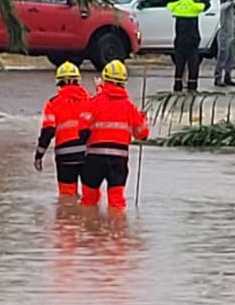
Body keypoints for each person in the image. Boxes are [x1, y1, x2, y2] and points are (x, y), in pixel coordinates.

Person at [79, 60, 150, 209]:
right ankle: (117, 229)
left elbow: (82, 129)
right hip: (118, 160)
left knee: (88, 202)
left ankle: (88, 229)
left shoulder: (94, 102)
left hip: (94, 159)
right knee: (116, 202)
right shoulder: (130, 107)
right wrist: (143, 119)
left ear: (105, 80)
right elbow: (142, 134)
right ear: (124, 82)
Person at [34, 61, 92, 197]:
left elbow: (48, 132)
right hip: (88, 154)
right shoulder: (90, 100)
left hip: (65, 156)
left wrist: (39, 155)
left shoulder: (53, 103)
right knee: (90, 198)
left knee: (67, 198)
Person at [167, 0, 207, 92]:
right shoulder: (195, 6)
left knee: (179, 64)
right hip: (192, 40)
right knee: (193, 64)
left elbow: (169, 4)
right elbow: (206, 5)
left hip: (180, 39)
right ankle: (192, 85)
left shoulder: (177, 5)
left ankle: (178, 84)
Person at [214, 0, 235, 88]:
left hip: (231, 35)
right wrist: (232, 2)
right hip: (224, 34)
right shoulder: (224, 7)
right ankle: (218, 77)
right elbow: (222, 8)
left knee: (231, 57)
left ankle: (228, 76)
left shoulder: (233, 10)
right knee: (222, 56)